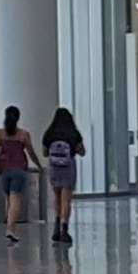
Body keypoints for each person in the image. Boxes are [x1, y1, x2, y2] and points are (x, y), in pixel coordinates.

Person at [0, 103, 40, 246]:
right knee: (15, 200)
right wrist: (39, 166)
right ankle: (11, 229)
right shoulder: (23, 134)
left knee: (8, 199)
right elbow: (31, 152)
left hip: (4, 171)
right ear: (18, 118)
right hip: (19, 170)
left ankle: (9, 226)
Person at [44, 106, 83, 247]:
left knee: (57, 198)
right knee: (66, 200)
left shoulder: (50, 133)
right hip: (68, 167)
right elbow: (81, 151)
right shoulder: (73, 133)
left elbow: (44, 153)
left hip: (54, 168)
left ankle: (56, 226)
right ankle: (64, 229)